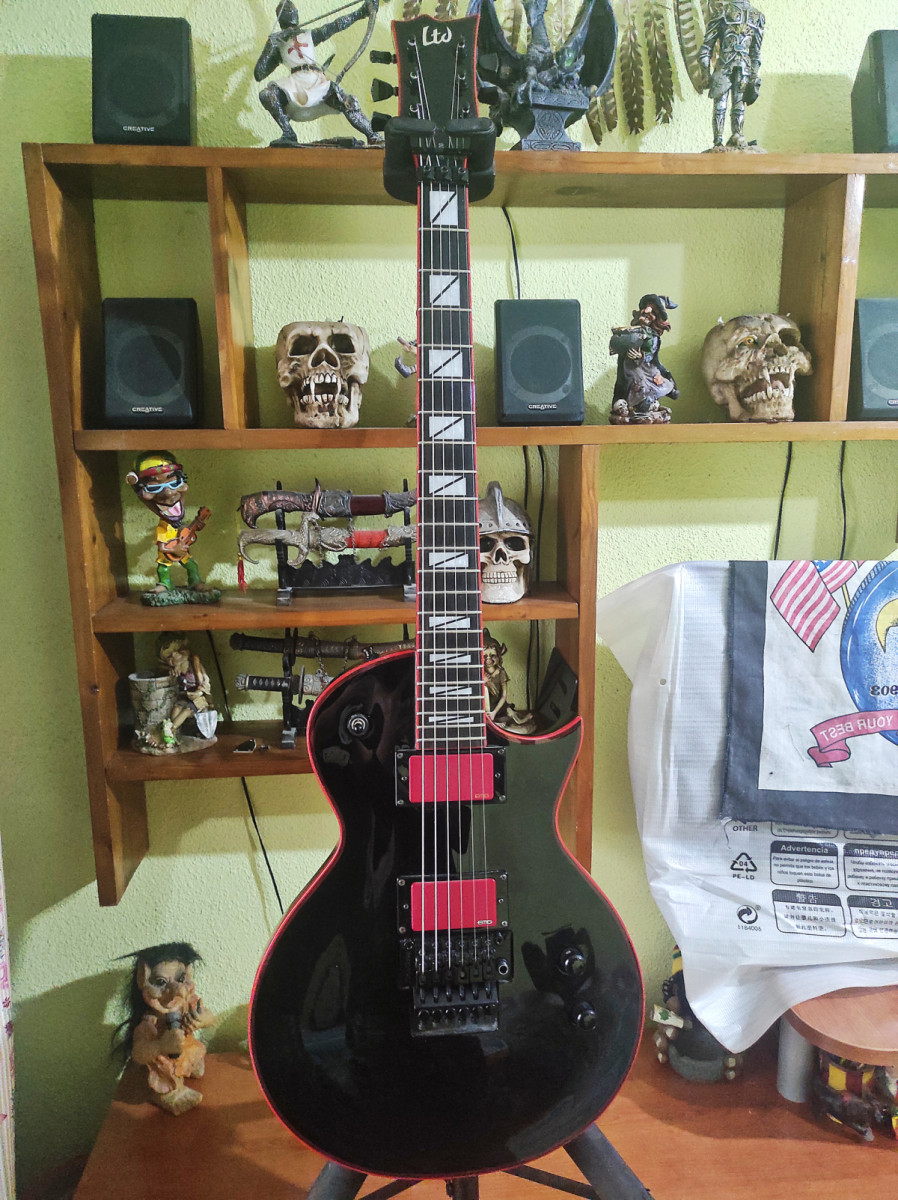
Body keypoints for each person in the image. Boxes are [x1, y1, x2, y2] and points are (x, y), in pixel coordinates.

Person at [254, 0, 382, 147]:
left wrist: (363, 11)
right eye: (285, 11)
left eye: (291, 10)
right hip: (294, 84)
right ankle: (288, 133)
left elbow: (336, 25)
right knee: (267, 94)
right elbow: (259, 73)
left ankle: (373, 136)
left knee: (348, 101)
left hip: (316, 80)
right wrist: (270, 45)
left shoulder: (309, 35)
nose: (290, 12)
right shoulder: (278, 43)